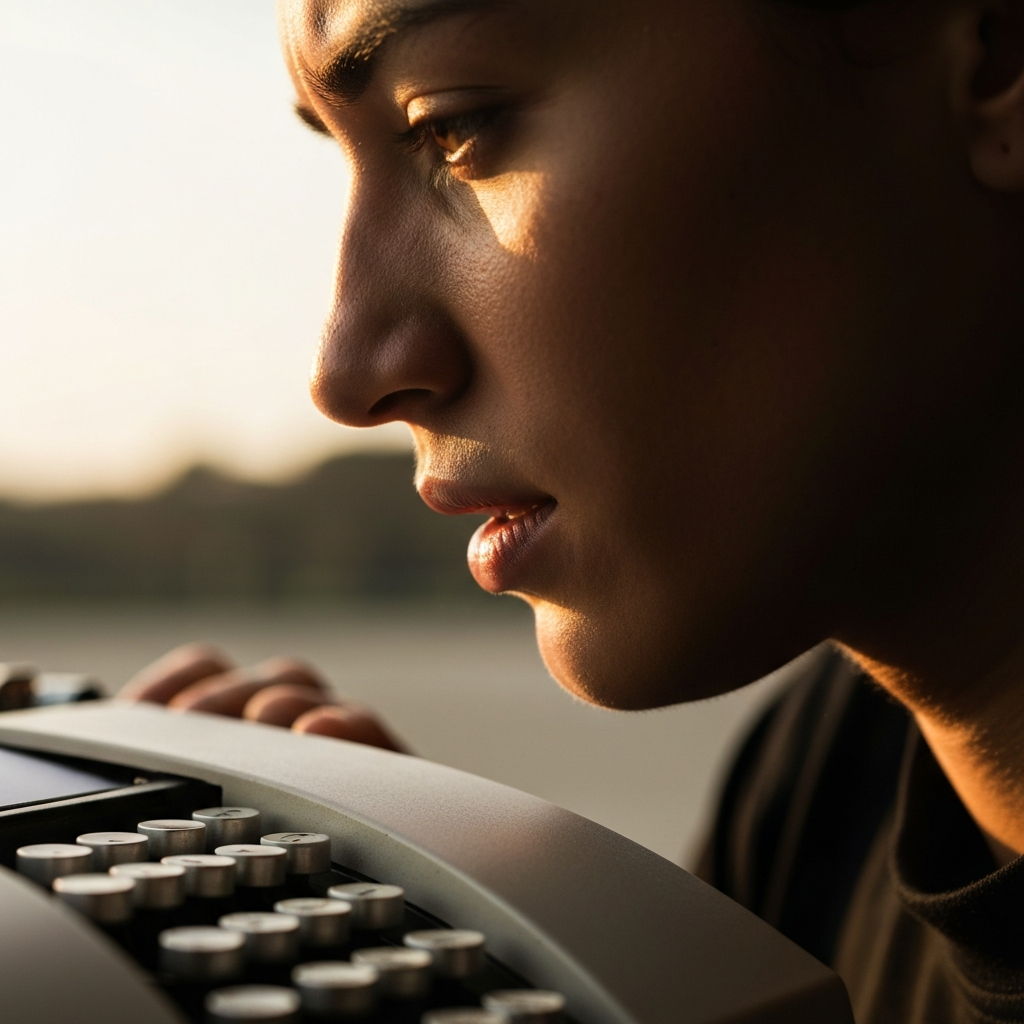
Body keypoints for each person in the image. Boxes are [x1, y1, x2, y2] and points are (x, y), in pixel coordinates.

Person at [120, 0, 1024, 1020]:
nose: (349, 368)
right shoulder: (817, 789)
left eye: (452, 127)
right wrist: (466, 956)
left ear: (997, 49)